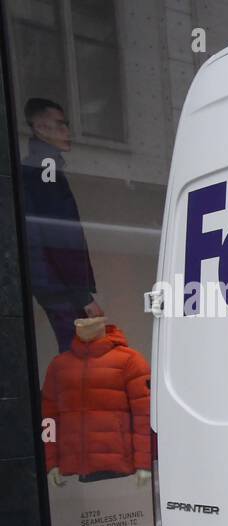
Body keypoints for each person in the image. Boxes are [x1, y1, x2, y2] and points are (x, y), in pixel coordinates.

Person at [19, 98, 101, 353]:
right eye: (60, 124)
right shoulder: (46, 168)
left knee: (76, 352)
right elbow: (60, 235)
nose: (67, 131)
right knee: (79, 353)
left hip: (54, 281)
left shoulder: (39, 167)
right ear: (40, 128)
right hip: (60, 284)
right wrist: (83, 296)